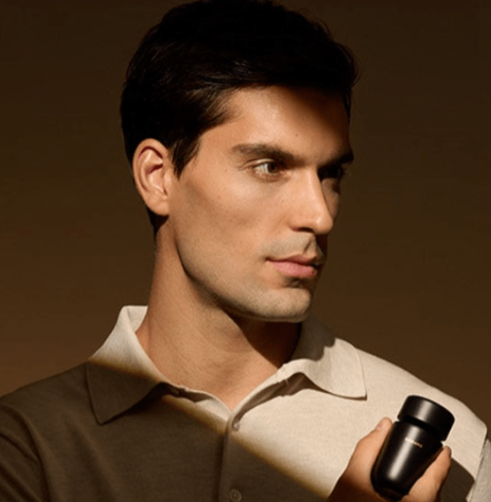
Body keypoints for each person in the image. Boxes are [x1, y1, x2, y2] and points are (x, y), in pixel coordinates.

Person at [0, 0, 489, 501]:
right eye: (269, 167)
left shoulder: (455, 452)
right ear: (157, 177)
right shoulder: (25, 449)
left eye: (330, 174)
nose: (320, 216)